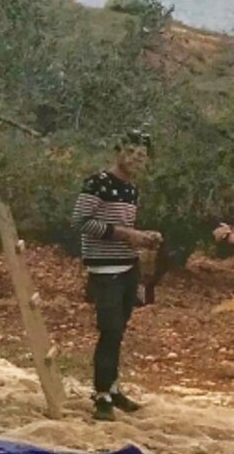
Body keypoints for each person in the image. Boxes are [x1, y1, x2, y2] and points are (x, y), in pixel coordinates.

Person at [69, 130, 160, 421]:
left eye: (142, 155)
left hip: (127, 266)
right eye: (132, 152)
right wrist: (127, 234)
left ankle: (112, 386)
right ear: (118, 151)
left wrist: (143, 237)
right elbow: (80, 221)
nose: (136, 159)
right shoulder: (98, 183)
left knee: (118, 330)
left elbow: (123, 226)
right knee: (109, 331)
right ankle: (101, 395)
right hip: (104, 269)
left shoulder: (131, 189)